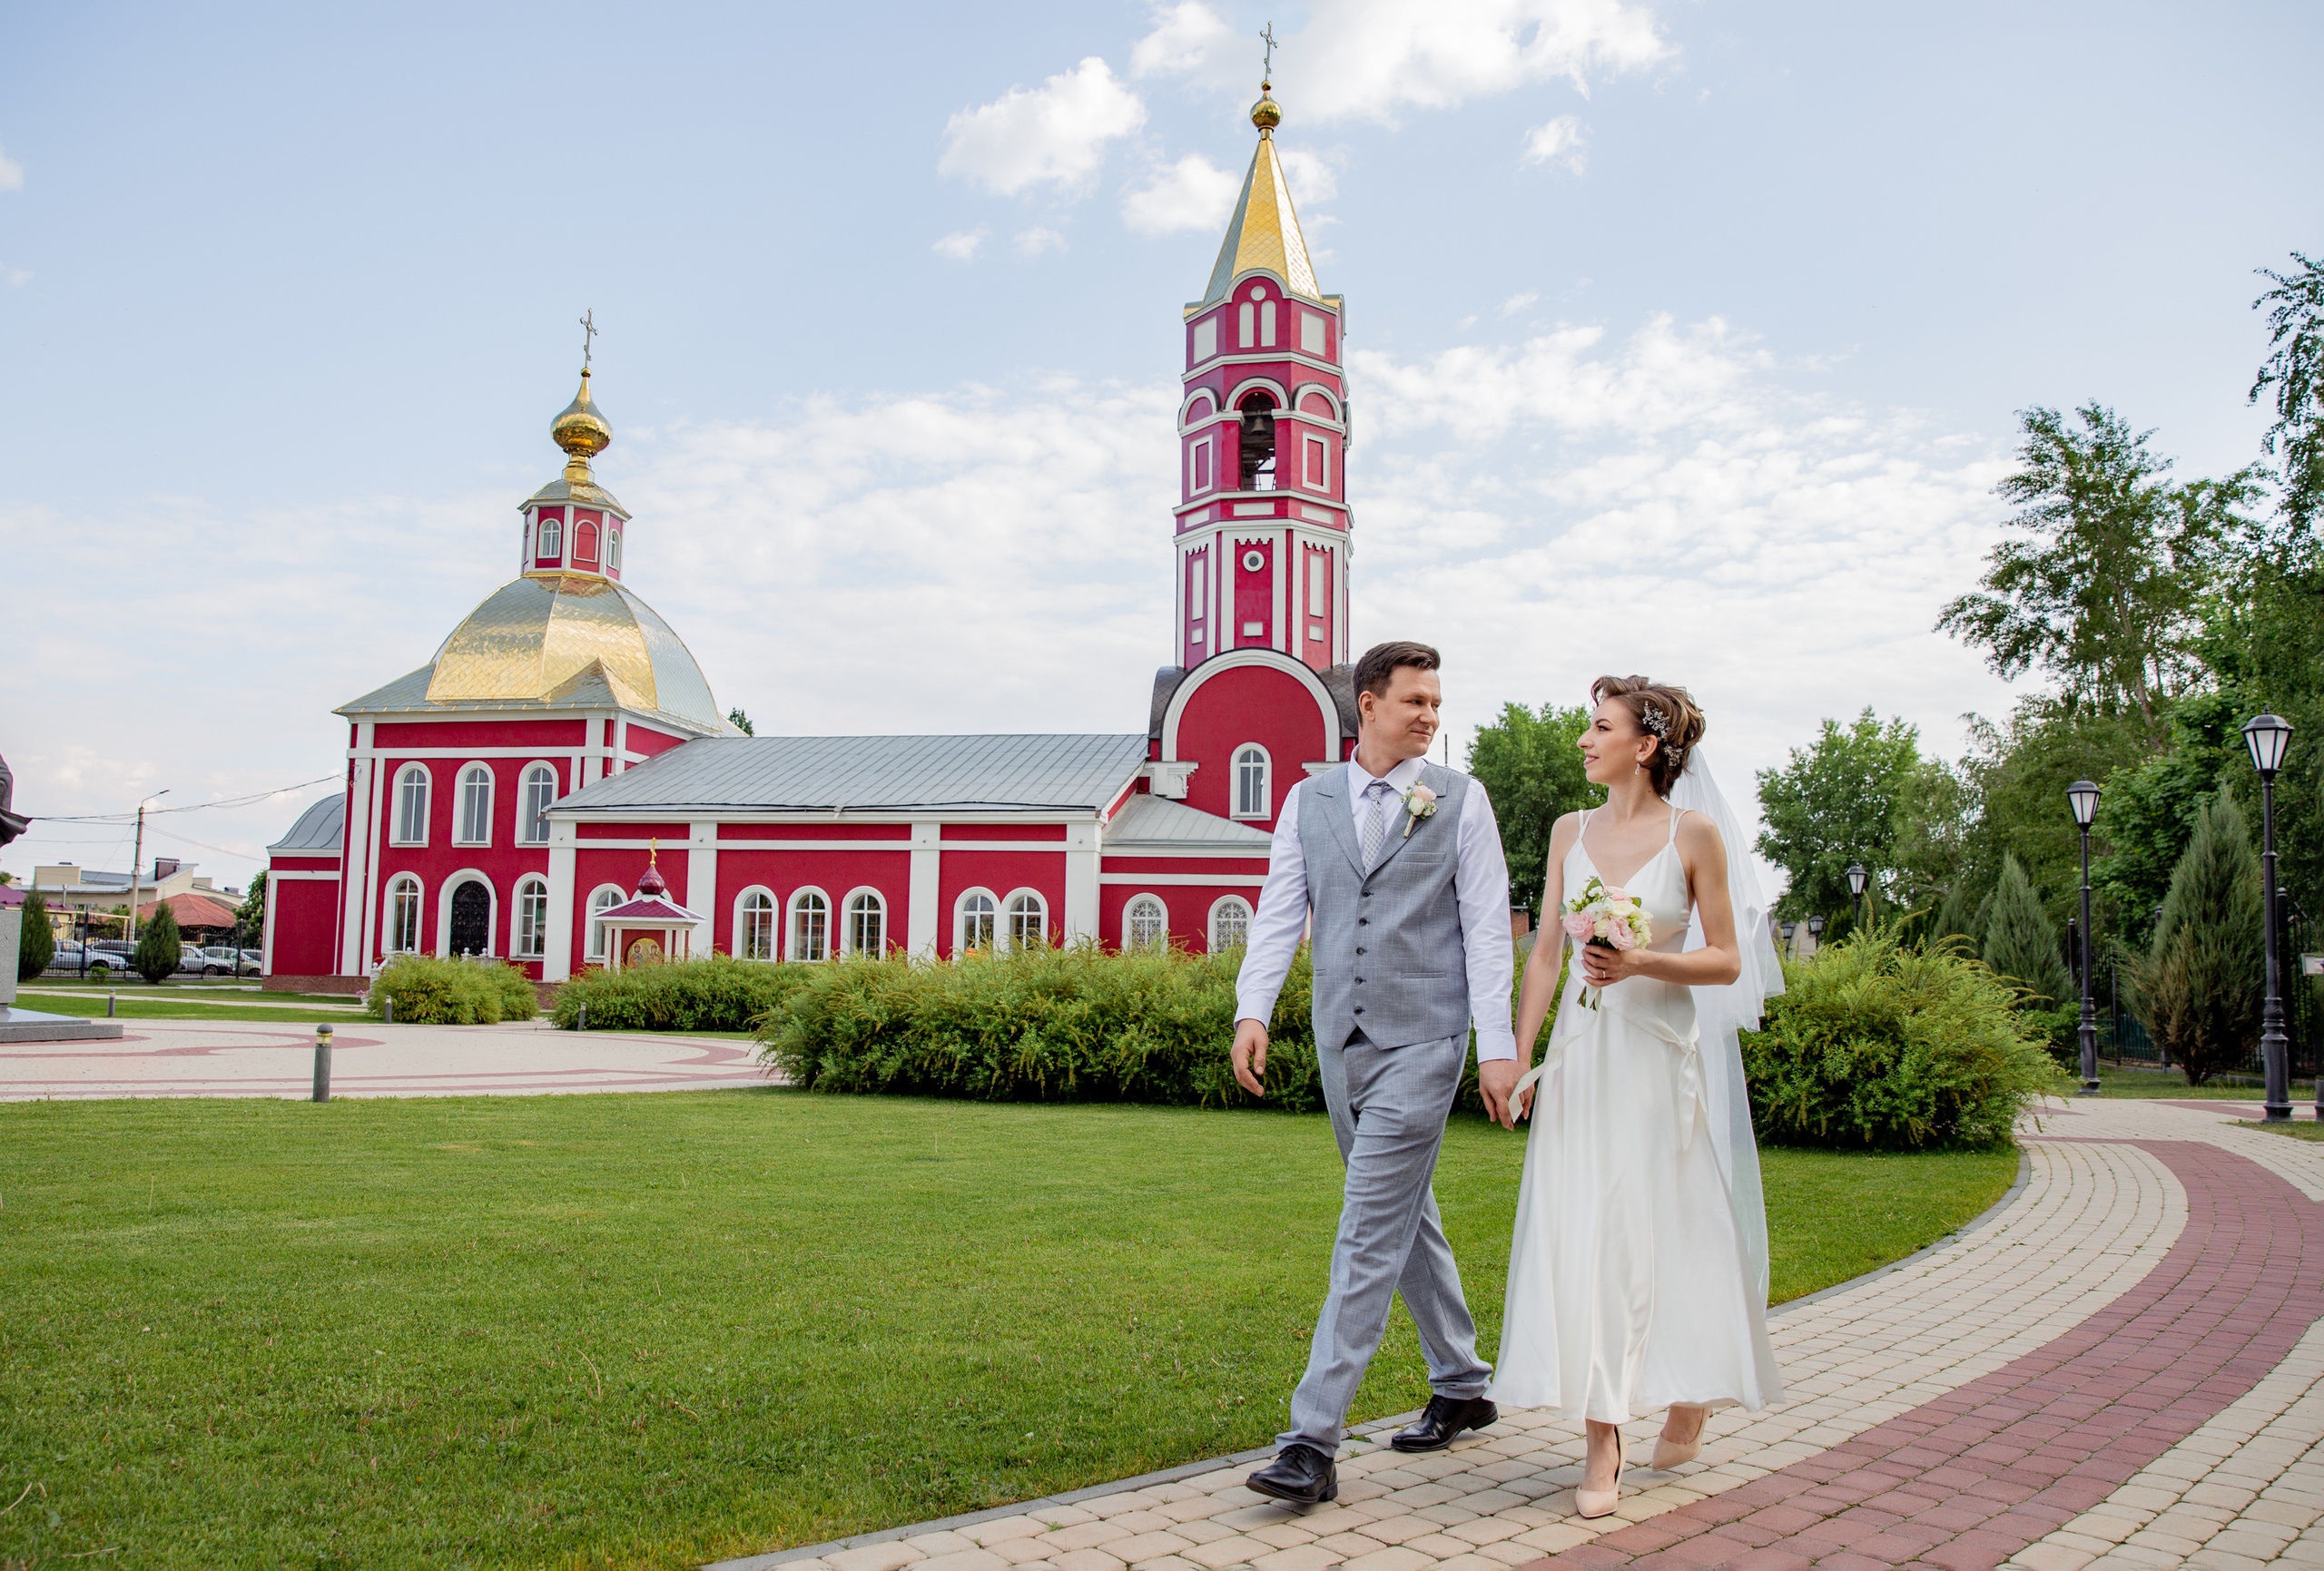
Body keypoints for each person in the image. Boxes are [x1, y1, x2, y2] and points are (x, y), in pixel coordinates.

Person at [1231, 640, 1522, 1507]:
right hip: (1339, 1043)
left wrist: (1497, 1044)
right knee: (1404, 1214)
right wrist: (1255, 1009)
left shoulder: (1461, 800)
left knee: (1366, 1228)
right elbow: (1281, 909)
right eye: (1415, 700)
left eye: (1437, 702)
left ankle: (1310, 1441)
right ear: (1368, 703)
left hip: (1426, 1042)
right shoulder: (1307, 799)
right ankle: (1463, 1384)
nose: (1431, 715)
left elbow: (1487, 929)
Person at [1489, 675, 1784, 1519]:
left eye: (1598, 726)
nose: (1584, 739)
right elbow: (1545, 952)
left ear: (1645, 746)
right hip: (1584, 1065)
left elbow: (1728, 959)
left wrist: (1644, 959)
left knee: (1671, 1233)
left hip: (1659, 1064)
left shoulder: (1693, 836)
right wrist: (1517, 1055)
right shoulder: (1566, 831)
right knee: (1589, 1235)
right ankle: (1602, 1430)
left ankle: (1690, 1387)